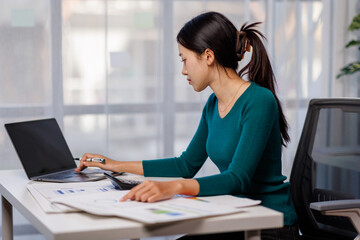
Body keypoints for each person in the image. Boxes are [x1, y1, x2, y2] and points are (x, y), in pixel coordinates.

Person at [75, 11, 298, 240]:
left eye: (184, 59)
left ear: (208, 56)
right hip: (236, 216)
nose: (183, 70)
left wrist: (174, 187)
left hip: (270, 224)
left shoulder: (259, 101)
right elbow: (186, 165)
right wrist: (113, 164)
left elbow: (237, 179)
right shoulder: (213, 104)